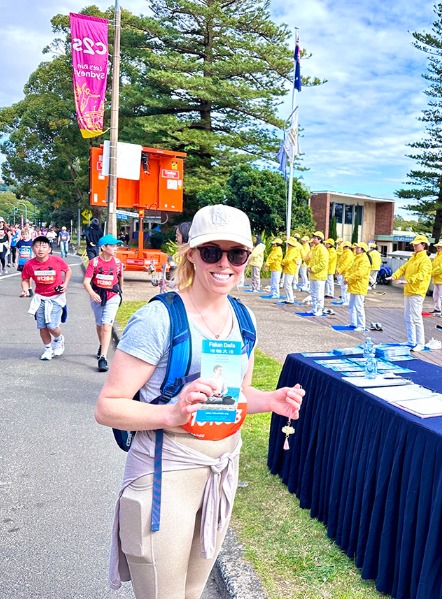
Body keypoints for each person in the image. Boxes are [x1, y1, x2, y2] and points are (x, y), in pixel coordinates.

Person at [94, 204, 304, 598]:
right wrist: (172, 411)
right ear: (191, 253)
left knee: (192, 592)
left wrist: (271, 400)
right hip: (166, 472)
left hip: (221, 471)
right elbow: (108, 407)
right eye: (211, 252)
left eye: (236, 254)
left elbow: (235, 395)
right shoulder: (159, 319)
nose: (224, 263)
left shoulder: (244, 319)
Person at [20, 236, 72, 360]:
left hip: (56, 297)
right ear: (33, 248)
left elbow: (68, 270)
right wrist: (25, 289)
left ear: (49, 249)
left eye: (44, 246)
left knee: (52, 326)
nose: (40, 249)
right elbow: (25, 279)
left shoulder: (56, 261)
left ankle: (59, 339)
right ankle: (48, 349)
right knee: (42, 326)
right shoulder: (29, 264)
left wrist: (65, 284)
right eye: (37, 246)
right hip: (40, 298)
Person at [84, 234, 125, 372]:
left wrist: (121, 293)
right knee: (100, 325)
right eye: (112, 245)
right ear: (103, 247)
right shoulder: (94, 263)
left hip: (112, 296)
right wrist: (92, 294)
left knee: (107, 326)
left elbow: (120, 278)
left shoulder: (118, 263)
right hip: (97, 297)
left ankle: (103, 357)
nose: (115, 248)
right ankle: (103, 344)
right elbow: (86, 282)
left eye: (115, 245)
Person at [391, 234, 433, 352]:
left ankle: (420, 343)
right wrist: (394, 276)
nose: (414, 246)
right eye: (414, 244)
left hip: (417, 291)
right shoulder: (413, 258)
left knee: (416, 317)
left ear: (423, 245)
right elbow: (403, 268)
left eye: (417, 244)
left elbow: (421, 275)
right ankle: (411, 340)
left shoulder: (425, 260)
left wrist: (408, 280)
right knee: (407, 316)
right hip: (409, 290)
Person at [345, 242, 371, 331]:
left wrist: (348, 279)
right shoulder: (357, 258)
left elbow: (359, 273)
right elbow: (350, 269)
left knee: (359, 306)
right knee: (351, 305)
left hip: (359, 286)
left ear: (362, 249)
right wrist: (347, 277)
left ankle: (361, 325)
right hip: (353, 285)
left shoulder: (364, 260)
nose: (355, 249)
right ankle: (354, 322)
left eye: (357, 248)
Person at [308, 231, 329, 316]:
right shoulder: (315, 249)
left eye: (315, 237)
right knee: (313, 293)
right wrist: (309, 267)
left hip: (319, 276)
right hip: (313, 275)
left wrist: (313, 269)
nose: (313, 238)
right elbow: (312, 261)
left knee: (319, 294)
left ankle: (320, 309)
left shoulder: (322, 249)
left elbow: (323, 263)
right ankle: (314, 308)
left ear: (319, 239)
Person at [281, 237, 301, 305]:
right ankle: (288, 298)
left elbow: (288, 260)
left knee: (288, 284)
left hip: (290, 269)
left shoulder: (293, 250)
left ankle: (290, 299)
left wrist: (282, 262)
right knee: (286, 284)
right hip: (288, 269)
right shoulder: (290, 250)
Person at [336, 241, 353, 305]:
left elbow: (345, 264)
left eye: (345, 246)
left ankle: (347, 300)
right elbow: (341, 263)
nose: (344, 248)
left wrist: (339, 271)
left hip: (347, 272)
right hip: (344, 272)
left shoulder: (349, 254)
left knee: (346, 287)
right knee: (343, 287)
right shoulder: (344, 253)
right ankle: (343, 299)